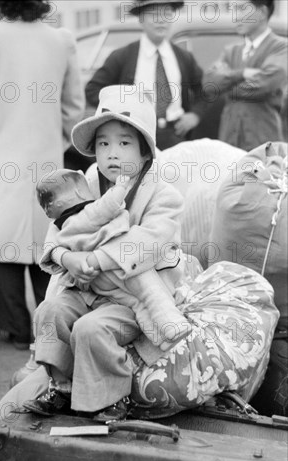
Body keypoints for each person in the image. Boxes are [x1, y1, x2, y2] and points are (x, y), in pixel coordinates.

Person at [23, 85, 185, 421]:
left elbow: (146, 241)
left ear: (145, 154)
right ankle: (62, 386)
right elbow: (59, 231)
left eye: (125, 143)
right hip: (87, 288)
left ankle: (112, 398)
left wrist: (94, 259)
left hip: (131, 296)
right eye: (103, 143)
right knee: (50, 311)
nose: (112, 153)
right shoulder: (86, 184)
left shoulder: (164, 195)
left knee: (90, 329)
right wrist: (68, 258)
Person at [0, 0, 85, 349]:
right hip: (46, 155)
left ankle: (15, 328)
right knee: (48, 242)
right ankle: (52, 326)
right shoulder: (62, 41)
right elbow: (74, 106)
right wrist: (55, 141)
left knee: (1, 245)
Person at [36, 168, 191, 350]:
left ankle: (158, 338)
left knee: (135, 304)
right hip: (120, 266)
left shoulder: (63, 224)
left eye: (124, 143)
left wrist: (67, 256)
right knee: (150, 292)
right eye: (103, 144)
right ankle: (172, 324)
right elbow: (109, 205)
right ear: (79, 192)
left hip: (96, 280)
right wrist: (121, 186)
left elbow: (51, 243)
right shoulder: (90, 210)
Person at [85, 0, 205, 151]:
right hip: (136, 135)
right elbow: (92, 90)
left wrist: (195, 115)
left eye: (167, 14)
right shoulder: (123, 56)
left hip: (175, 135)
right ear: (141, 19)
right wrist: (120, 110)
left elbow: (204, 91)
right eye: (154, 14)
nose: (161, 20)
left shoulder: (184, 57)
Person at [203, 0, 287, 151]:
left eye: (242, 9)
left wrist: (226, 85)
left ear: (262, 13)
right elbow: (209, 84)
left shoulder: (280, 47)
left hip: (263, 143)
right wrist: (241, 74)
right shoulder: (231, 51)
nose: (235, 17)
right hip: (229, 141)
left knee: (263, 174)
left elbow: (262, 85)